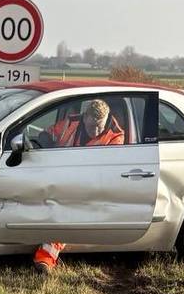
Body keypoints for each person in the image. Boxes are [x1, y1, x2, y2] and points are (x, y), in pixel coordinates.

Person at [33, 99, 126, 273]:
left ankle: (45, 258)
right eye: (91, 126)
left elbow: (109, 170)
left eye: (99, 127)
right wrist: (46, 147)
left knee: (67, 212)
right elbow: (47, 134)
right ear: (84, 118)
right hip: (60, 177)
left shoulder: (115, 136)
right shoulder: (71, 122)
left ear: (106, 119)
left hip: (90, 186)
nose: (95, 131)